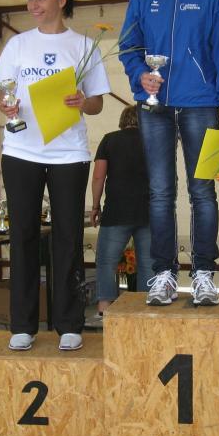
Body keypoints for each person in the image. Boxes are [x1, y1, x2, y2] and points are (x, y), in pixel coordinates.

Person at [119, 0, 219, 307]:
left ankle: (203, 273)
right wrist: (140, 76)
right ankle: (164, 275)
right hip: (153, 107)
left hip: (202, 104)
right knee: (159, 193)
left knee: (203, 190)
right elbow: (129, 48)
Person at [0, 0, 110, 352]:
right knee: (23, 235)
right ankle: (22, 325)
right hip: (21, 151)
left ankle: (69, 324)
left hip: (69, 154)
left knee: (68, 237)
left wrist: (83, 101)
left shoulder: (84, 46)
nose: (34, 5)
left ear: (61, 0)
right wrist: (6, 106)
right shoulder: (17, 45)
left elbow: (97, 102)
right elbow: (3, 95)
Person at [88, 105, 154, 328]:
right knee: (147, 263)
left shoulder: (109, 140)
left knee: (106, 261)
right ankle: (145, 309)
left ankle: (104, 309)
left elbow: (99, 177)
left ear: (122, 120)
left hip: (116, 210)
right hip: (148, 210)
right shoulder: (152, 140)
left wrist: (95, 206)